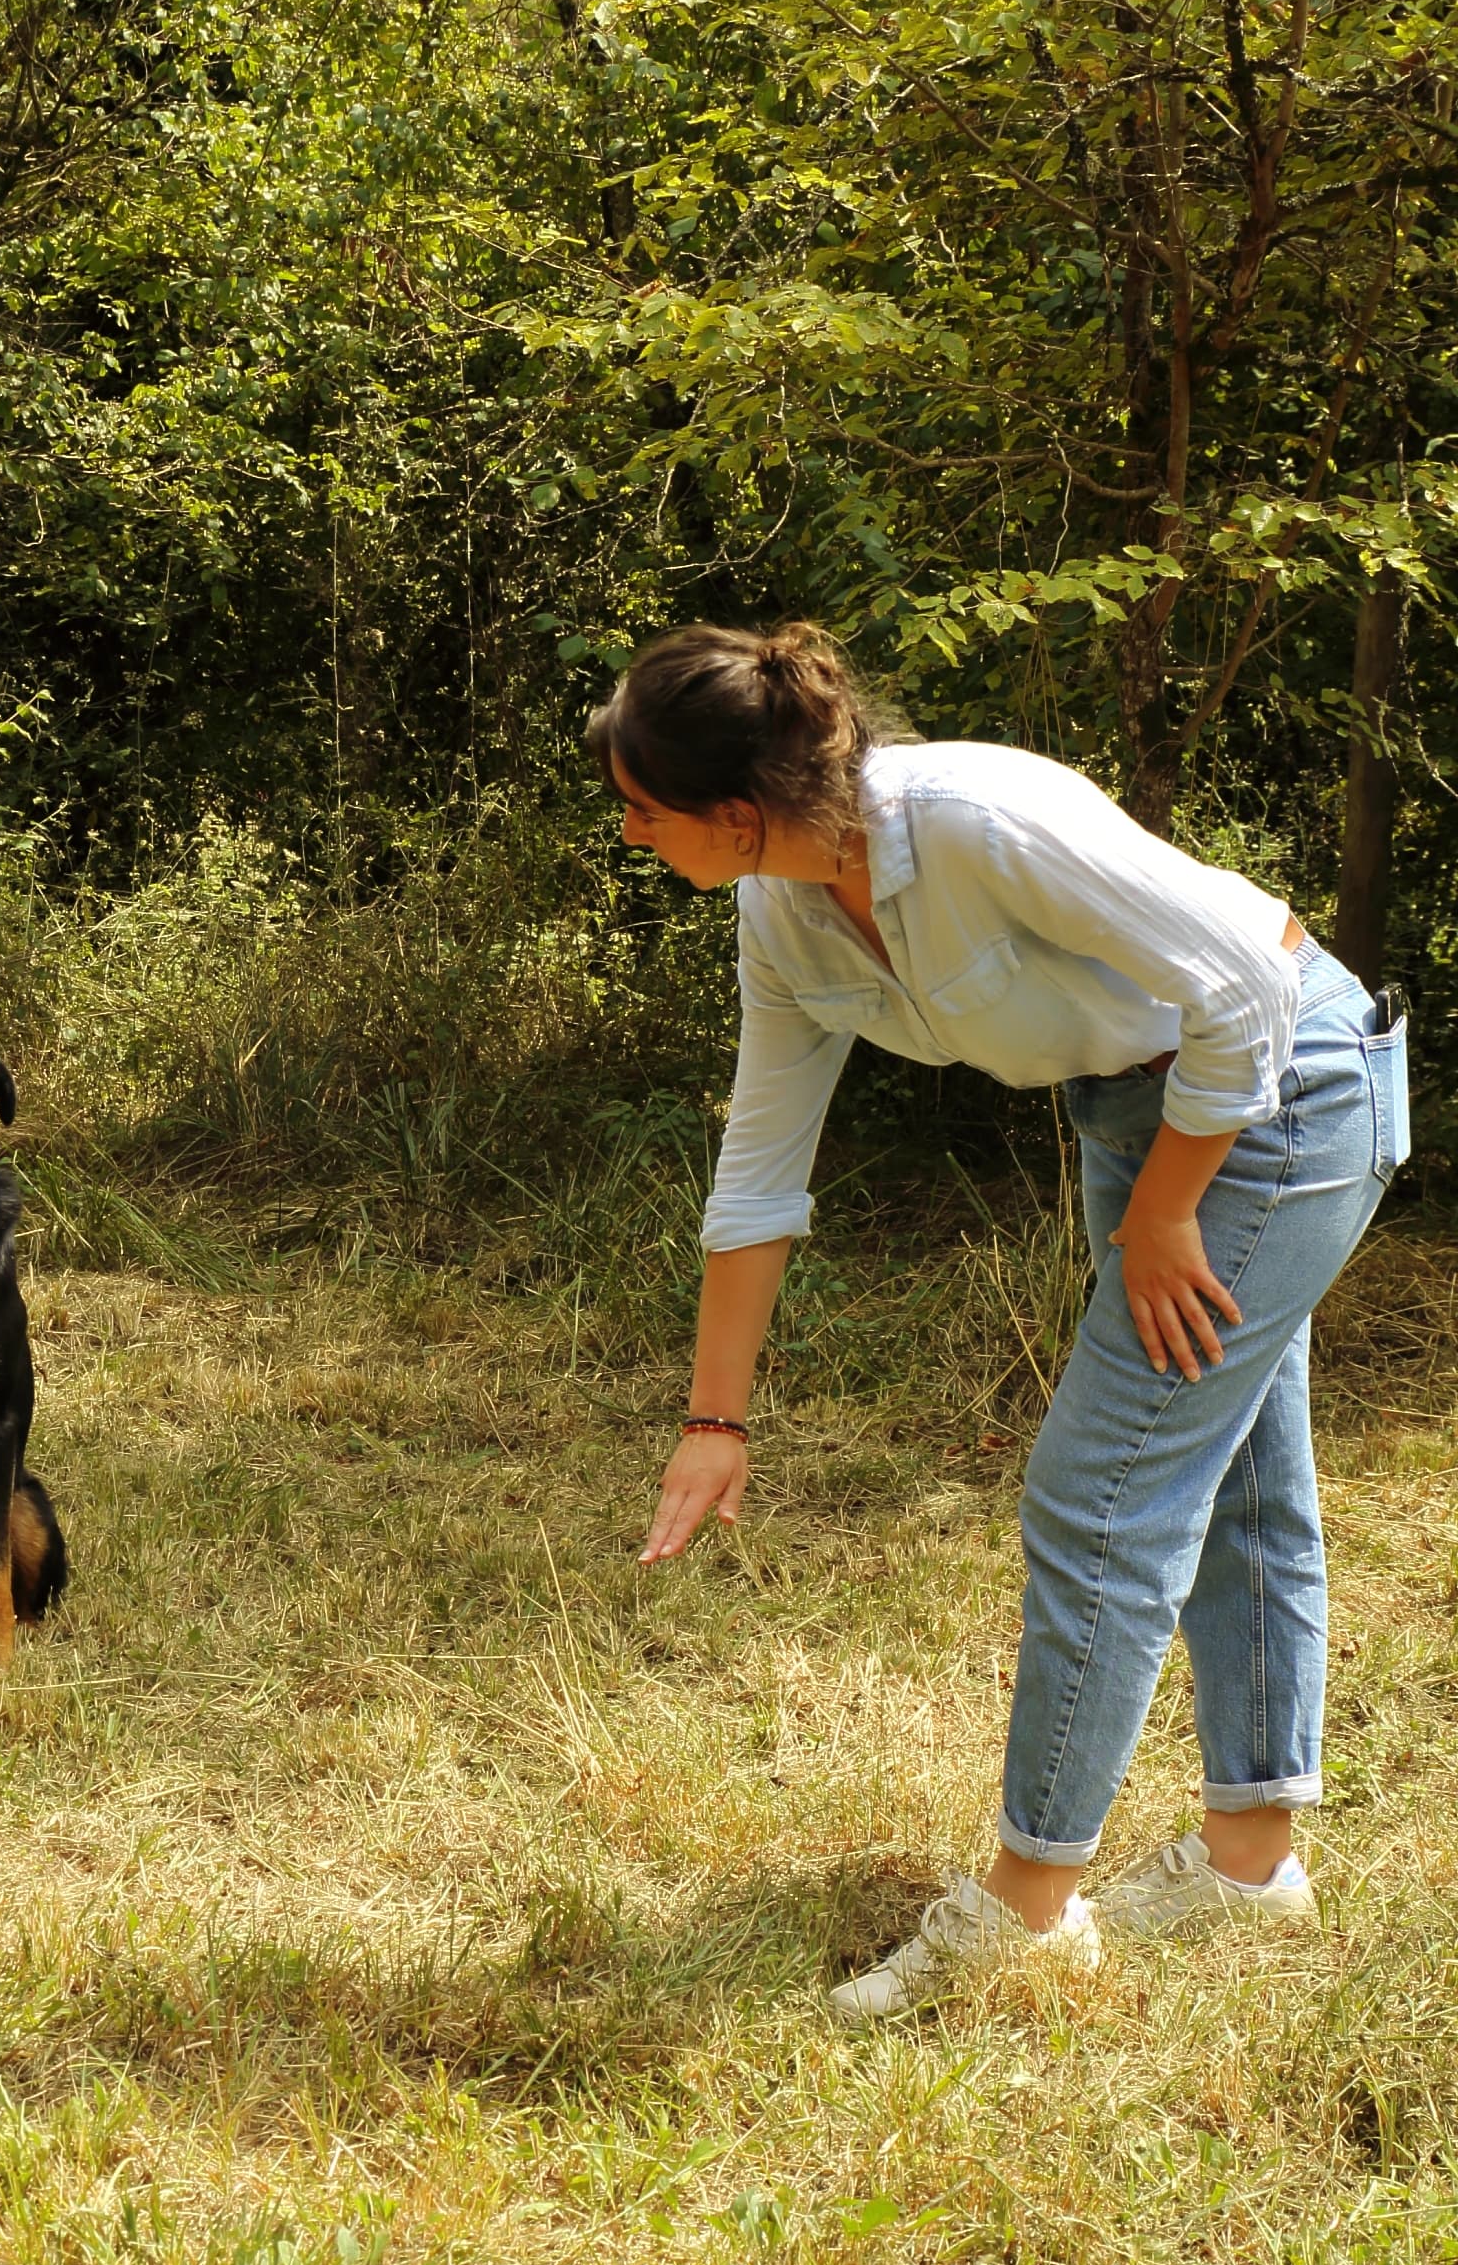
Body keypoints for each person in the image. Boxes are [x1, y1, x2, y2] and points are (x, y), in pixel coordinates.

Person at [592, 621, 1411, 2021]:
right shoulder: (779, 913)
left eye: (639, 813)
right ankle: (1249, 1874)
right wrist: (713, 1420)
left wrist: (1162, 1216)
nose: (628, 835)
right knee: (1233, 1485)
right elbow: (762, 1169)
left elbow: (1246, 991)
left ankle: (1023, 1922)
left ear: (733, 817)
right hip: (1139, 1105)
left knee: (1100, 1492)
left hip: (1285, 1092)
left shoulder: (973, 817)